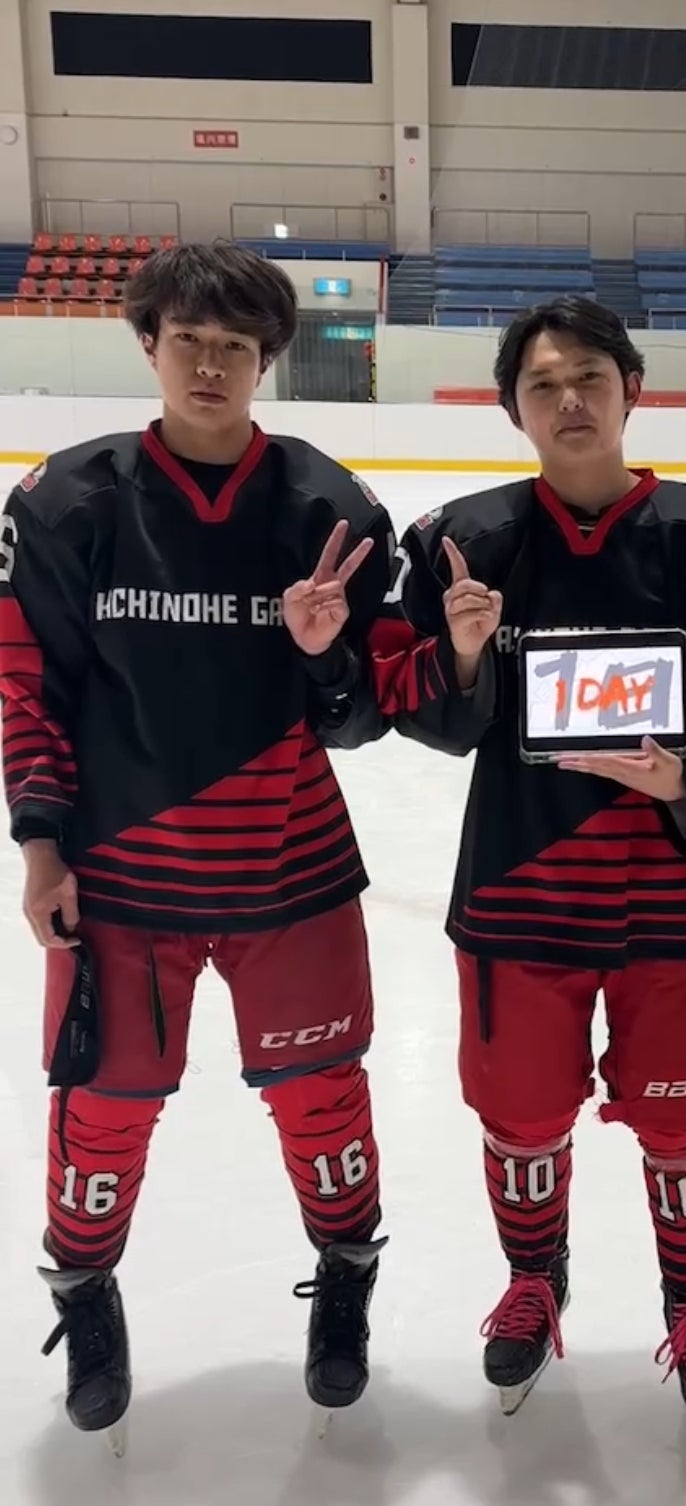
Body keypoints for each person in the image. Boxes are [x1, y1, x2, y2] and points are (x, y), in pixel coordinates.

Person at [0, 242, 486, 1445]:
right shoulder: (65, 502)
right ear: (147, 344)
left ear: (266, 360)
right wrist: (41, 844)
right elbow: (26, 685)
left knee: (324, 1100)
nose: (209, 365)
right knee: (102, 1108)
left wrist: (324, 654)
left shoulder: (330, 507)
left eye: (234, 346)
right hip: (122, 881)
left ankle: (345, 1282)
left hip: (289, 872)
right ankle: (87, 1297)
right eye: (188, 341)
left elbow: (362, 715)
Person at [318, 296, 686, 1435]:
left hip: (676, 901)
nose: (569, 401)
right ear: (512, 407)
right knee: (521, 1117)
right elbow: (402, 702)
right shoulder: (460, 541)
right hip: (517, 896)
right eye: (542, 385)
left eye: (590, 379)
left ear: (632, 390)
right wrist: (462, 656)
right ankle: (534, 1282)